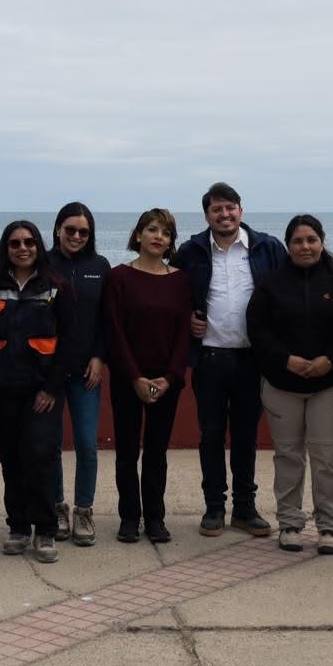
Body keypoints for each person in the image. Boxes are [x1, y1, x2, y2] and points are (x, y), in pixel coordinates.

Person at [246, 215, 333, 554]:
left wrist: (332, 359)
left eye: (311, 239)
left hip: (329, 385)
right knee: (288, 456)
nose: (305, 246)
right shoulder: (271, 284)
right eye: (298, 241)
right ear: (288, 246)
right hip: (281, 385)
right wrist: (285, 359)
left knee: (327, 457)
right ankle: (290, 524)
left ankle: (330, 528)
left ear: (322, 242)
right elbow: (257, 329)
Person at [172, 182, 287, 538]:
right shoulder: (190, 251)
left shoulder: (268, 248)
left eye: (230, 207)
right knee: (210, 435)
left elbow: (287, 294)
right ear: (207, 215)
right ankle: (214, 507)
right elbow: (171, 296)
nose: (224, 214)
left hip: (253, 359)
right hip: (208, 358)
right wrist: (185, 319)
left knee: (245, 436)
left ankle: (245, 508)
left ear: (241, 209)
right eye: (216, 209)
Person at [0, 221, 78, 563]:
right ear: (6, 248)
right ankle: (18, 526)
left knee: (41, 458)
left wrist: (51, 388)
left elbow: (70, 343)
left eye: (30, 242)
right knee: (11, 460)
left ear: (39, 246)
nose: (23, 248)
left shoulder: (57, 287)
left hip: (42, 392)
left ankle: (45, 530)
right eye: (16, 243)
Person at [103, 208, 191, 544]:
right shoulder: (118, 277)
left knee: (157, 452)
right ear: (138, 235)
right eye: (152, 230)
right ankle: (129, 518)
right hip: (129, 379)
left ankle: (155, 518)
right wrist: (135, 377)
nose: (158, 237)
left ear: (171, 242)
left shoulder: (180, 280)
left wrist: (170, 377)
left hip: (167, 380)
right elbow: (114, 331)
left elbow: (184, 332)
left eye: (166, 233)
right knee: (127, 452)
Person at [47, 202, 111, 546]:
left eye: (83, 232)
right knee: (51, 443)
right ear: (58, 229)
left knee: (87, 443)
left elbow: (107, 319)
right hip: (49, 373)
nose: (75, 236)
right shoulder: (42, 263)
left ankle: (83, 511)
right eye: (69, 229)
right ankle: (57, 507)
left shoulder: (100, 267)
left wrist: (100, 357)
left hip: (87, 372)